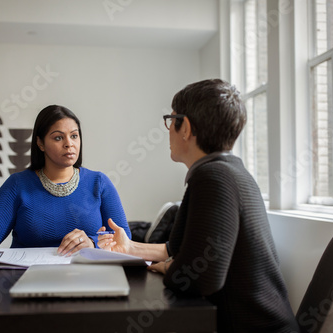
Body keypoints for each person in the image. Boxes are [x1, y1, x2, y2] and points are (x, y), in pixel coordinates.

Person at [98, 79, 300, 332]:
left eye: (171, 121)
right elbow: (179, 248)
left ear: (186, 127)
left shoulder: (213, 177)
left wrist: (173, 266)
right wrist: (131, 247)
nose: (168, 129)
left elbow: (199, 278)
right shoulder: (229, 172)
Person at [0, 105, 131, 265]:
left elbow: (123, 239)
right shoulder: (18, 184)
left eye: (74, 136)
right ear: (40, 143)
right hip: (26, 280)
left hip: (87, 279)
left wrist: (92, 243)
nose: (69, 144)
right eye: (58, 137)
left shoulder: (99, 183)